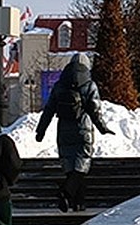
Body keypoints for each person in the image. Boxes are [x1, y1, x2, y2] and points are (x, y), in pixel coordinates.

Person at [35, 53, 113, 211]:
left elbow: (49, 109)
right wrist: (102, 128)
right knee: (81, 166)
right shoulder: (89, 85)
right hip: (83, 129)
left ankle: (78, 203)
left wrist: (41, 130)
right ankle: (66, 193)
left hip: (64, 130)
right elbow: (95, 110)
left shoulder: (59, 85)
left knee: (71, 167)